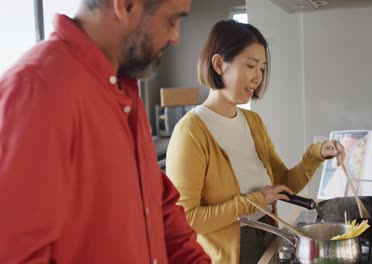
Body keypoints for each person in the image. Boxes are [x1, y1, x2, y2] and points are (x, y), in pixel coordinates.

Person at [0, 0, 211, 263]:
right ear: (127, 5)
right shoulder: (38, 89)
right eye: (171, 20)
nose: (175, 37)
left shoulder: (124, 90)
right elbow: (16, 253)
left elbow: (159, 211)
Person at [165, 19, 345, 264]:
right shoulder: (191, 132)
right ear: (219, 64)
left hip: (268, 237)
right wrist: (257, 200)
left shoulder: (253, 122)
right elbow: (187, 219)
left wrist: (317, 154)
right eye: (251, 66)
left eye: (262, 68)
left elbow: (283, 185)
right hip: (231, 255)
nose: (258, 77)